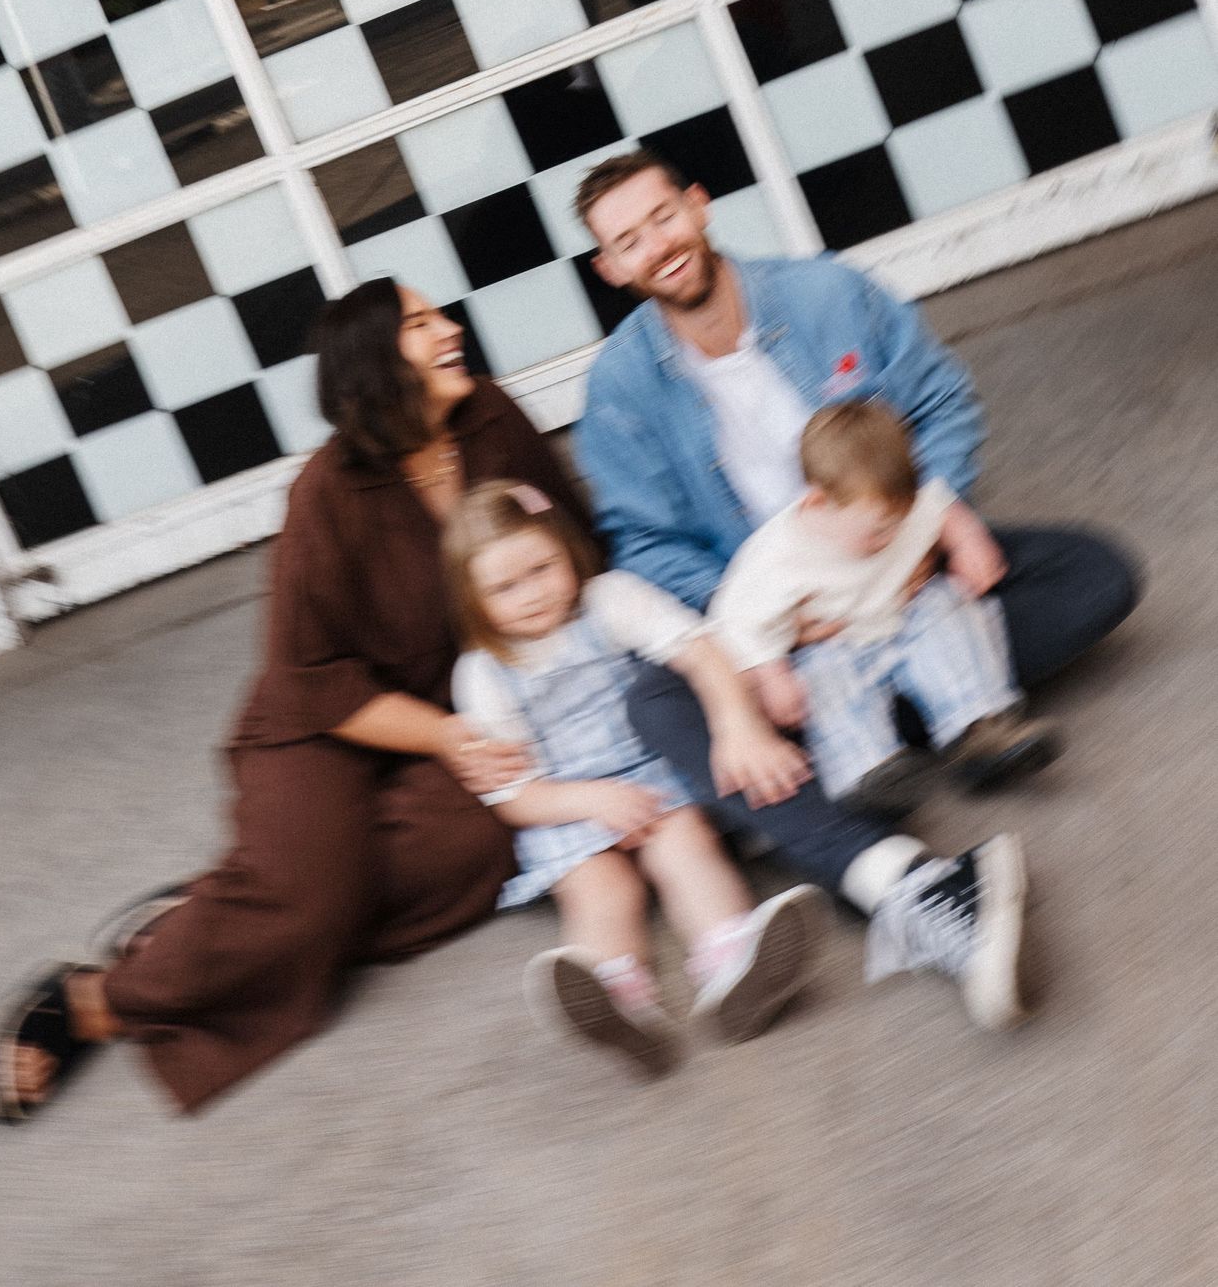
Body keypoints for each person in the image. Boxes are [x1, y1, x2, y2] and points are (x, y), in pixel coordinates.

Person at [0, 279, 587, 1122]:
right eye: (421, 323)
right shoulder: (325, 491)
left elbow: (575, 540)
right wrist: (449, 735)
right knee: (315, 891)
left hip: (470, 700)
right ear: (373, 365)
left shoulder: (493, 418)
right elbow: (309, 677)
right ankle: (100, 998)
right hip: (324, 723)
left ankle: (220, 909)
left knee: (478, 848)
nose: (451, 327)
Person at [570, 146, 1140, 1028]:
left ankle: (876, 726)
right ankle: (904, 870)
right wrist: (768, 627)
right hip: (779, 615)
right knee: (658, 703)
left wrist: (930, 533)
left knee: (1093, 573)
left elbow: (940, 404)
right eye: (629, 241)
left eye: (663, 217)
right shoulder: (620, 385)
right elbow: (645, 543)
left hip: (898, 568)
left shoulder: (826, 292)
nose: (658, 245)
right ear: (610, 268)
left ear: (700, 204)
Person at [445, 478, 824, 1073]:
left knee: (688, 849)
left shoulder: (611, 599)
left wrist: (735, 726)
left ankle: (735, 963)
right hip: (566, 800)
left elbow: (700, 651)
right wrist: (592, 801)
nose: (532, 594)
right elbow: (514, 795)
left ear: (568, 552)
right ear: (472, 600)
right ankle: (614, 997)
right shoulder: (482, 673)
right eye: (504, 588)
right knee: (600, 888)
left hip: (652, 773)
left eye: (542, 568)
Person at [710, 400, 1060, 813]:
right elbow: (740, 622)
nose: (893, 535)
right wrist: (773, 676)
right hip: (835, 644)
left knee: (948, 605)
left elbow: (942, 507)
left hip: (908, 614)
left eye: (900, 521)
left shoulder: (903, 501)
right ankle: (870, 770)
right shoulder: (776, 557)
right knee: (824, 682)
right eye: (878, 531)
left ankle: (979, 729)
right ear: (818, 502)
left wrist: (969, 543)